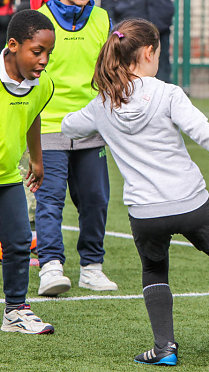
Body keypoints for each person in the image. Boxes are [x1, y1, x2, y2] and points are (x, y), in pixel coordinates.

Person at [61, 18, 209, 368]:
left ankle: (164, 349)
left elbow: (70, 125)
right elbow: (204, 133)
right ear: (148, 52)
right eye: (158, 51)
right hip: (192, 202)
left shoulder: (102, 104)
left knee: (155, 272)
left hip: (145, 213)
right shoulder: (167, 93)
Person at [34, 0, 117, 296]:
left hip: (91, 126)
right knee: (50, 200)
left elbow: (110, 68)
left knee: (96, 199)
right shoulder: (39, 18)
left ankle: (92, 268)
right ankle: (50, 266)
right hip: (48, 126)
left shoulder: (103, 18)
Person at [0, 9, 55, 334]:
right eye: (37, 51)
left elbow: (33, 116)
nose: (44, 60)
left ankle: (15, 311)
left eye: (48, 53)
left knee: (20, 242)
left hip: (7, 176)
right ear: (13, 45)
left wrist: (37, 158)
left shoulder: (42, 85)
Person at [101, 0, 175, 83]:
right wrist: (112, 24)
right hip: (129, 30)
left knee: (162, 70)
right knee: (127, 73)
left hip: (159, 24)